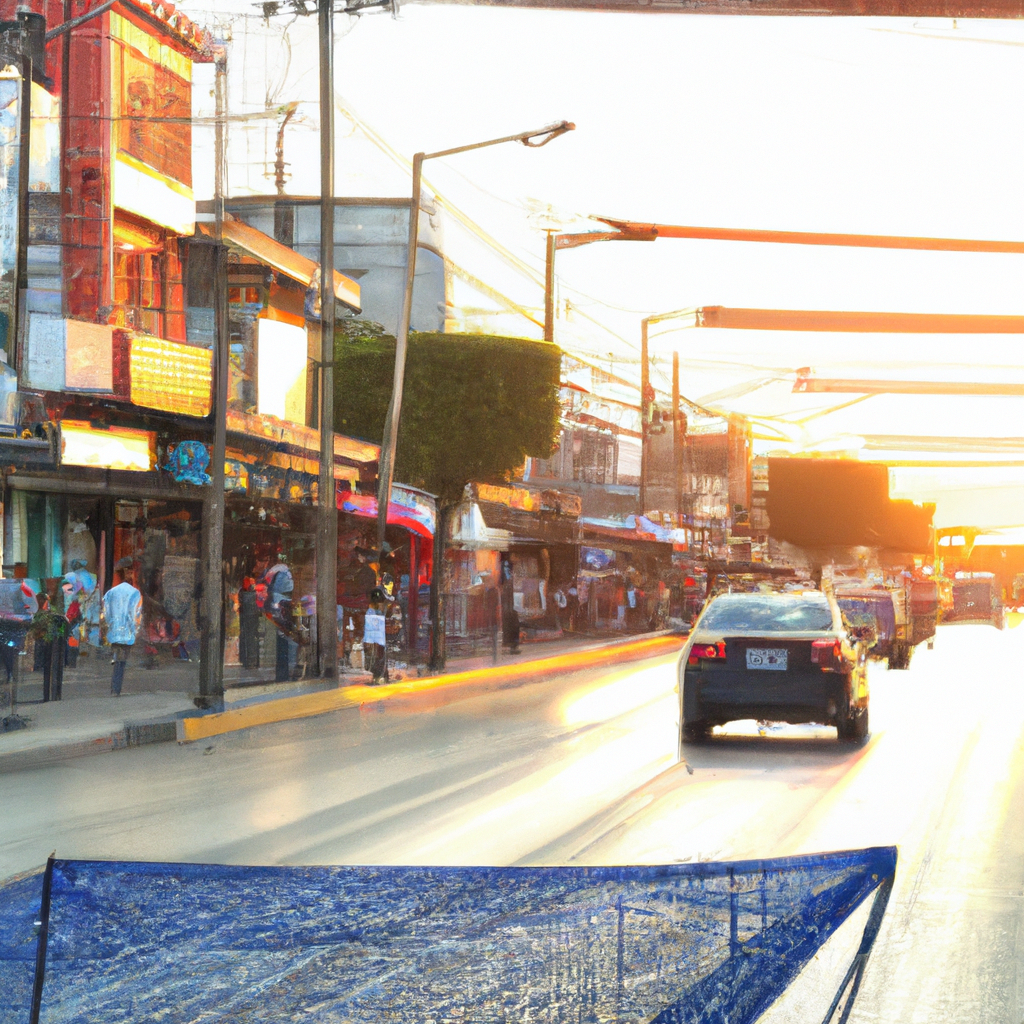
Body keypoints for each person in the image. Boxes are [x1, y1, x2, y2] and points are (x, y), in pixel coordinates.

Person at [103, 561, 142, 697]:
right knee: (122, 660)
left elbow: (106, 614)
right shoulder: (135, 593)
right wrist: (135, 630)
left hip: (114, 631)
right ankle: (116, 688)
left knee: (118, 658)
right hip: (127, 633)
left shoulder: (110, 593)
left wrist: (110, 624)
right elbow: (135, 614)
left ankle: (114, 687)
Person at [263, 554, 297, 682]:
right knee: (285, 647)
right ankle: (284, 675)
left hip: (279, 616)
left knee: (283, 647)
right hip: (281, 617)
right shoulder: (283, 572)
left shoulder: (277, 572)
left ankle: (283, 675)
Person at [363, 586, 388, 684]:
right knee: (378, 656)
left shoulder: (371, 612)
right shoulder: (372, 612)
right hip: (377, 640)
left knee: (376, 656)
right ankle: (378, 676)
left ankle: (378, 676)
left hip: (374, 639)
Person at [238, 576, 260, 670]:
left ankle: (246, 660)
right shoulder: (254, 594)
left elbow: (241, 602)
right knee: (252, 639)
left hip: (245, 617)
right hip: (253, 617)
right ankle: (252, 661)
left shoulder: (242, 593)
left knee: (246, 638)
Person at [499, 554, 520, 654]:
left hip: (510, 601)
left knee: (511, 620)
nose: (517, 559)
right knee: (511, 621)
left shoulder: (508, 567)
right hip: (509, 601)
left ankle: (511, 644)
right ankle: (511, 644)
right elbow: (507, 580)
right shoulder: (506, 566)